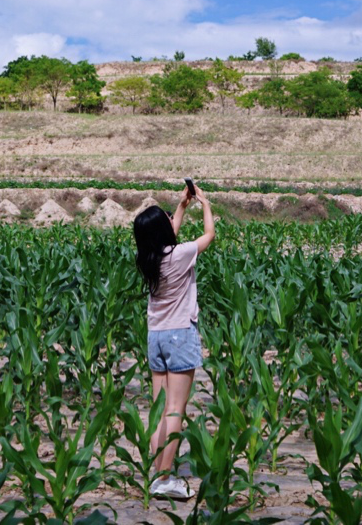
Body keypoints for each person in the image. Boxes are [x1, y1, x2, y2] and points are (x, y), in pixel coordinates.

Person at [132, 183, 215, 501]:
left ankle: (157, 472)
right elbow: (208, 236)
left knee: (158, 409)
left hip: (156, 337)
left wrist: (182, 206)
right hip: (181, 335)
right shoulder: (180, 255)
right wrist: (206, 205)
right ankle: (165, 478)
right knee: (176, 409)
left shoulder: (148, 257)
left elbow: (166, 237)